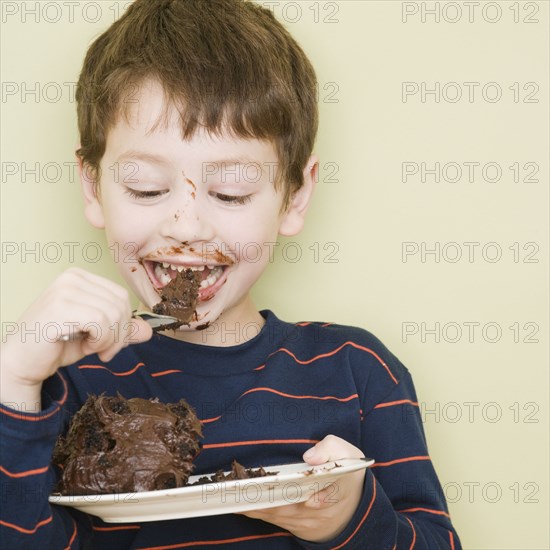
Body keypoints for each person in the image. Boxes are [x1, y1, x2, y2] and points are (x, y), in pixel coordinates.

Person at [0, 1, 461, 548]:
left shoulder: (359, 374)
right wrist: (12, 387)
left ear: (295, 195)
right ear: (92, 186)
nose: (186, 225)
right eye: (146, 188)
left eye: (231, 192)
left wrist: (348, 520)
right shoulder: (66, 386)